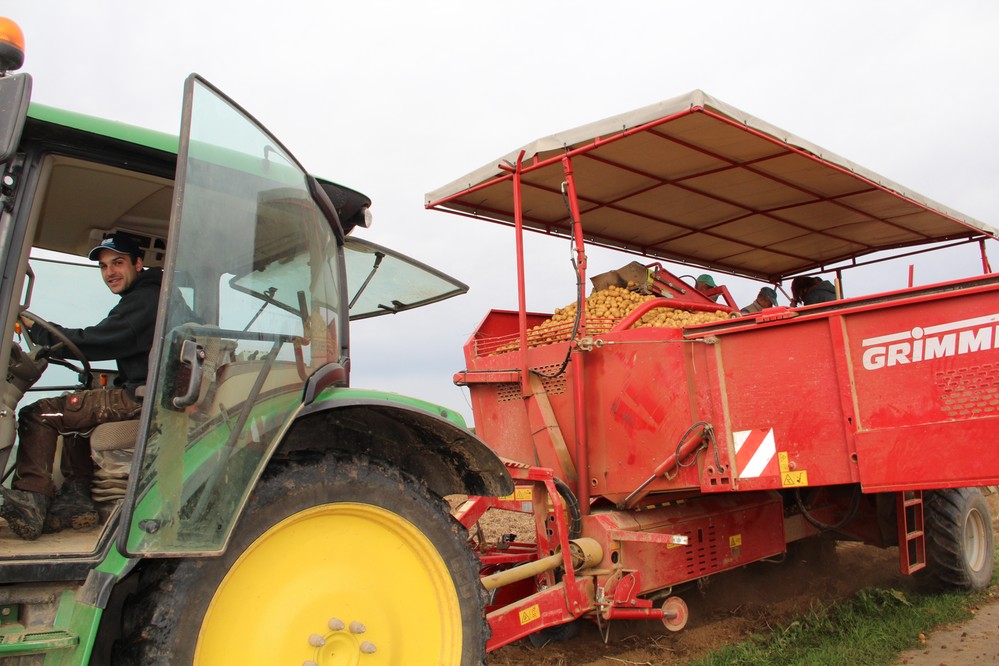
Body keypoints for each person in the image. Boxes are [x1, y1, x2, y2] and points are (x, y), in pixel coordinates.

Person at [0, 232, 160, 540]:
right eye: (104, 266)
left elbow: (96, 341)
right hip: (146, 392)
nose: (110, 272)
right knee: (76, 413)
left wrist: (42, 333)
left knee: (40, 413)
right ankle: (76, 497)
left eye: (118, 263)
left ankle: (31, 500)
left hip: (142, 396)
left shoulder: (145, 300)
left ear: (138, 264)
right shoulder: (148, 297)